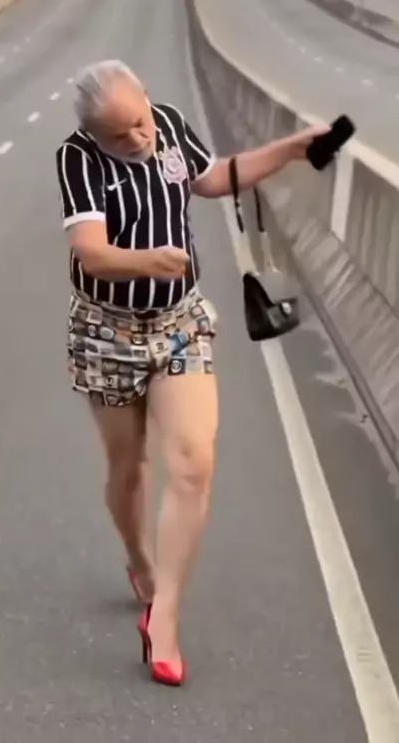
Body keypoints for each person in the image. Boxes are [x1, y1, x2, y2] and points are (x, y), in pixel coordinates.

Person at [56, 59, 324, 687]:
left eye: (141, 122)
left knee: (194, 461)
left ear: (149, 101)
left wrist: (289, 150)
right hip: (108, 331)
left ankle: (166, 616)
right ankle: (139, 560)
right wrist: (148, 261)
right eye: (121, 134)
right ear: (95, 135)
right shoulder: (78, 159)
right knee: (129, 467)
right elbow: (89, 251)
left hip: (180, 321)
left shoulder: (170, 125)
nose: (139, 138)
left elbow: (213, 177)